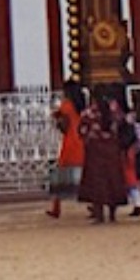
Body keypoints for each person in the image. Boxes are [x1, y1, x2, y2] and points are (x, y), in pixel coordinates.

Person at [77, 86, 130, 223]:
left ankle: (99, 215)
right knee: (113, 180)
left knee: (96, 183)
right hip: (112, 150)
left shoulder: (88, 113)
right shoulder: (115, 111)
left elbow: (81, 131)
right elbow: (123, 125)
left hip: (95, 152)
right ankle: (112, 215)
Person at [47, 80, 87, 218]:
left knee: (60, 174)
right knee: (87, 174)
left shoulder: (66, 105)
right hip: (81, 140)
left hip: (70, 141)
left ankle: (56, 207)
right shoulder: (81, 105)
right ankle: (94, 205)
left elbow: (62, 121)